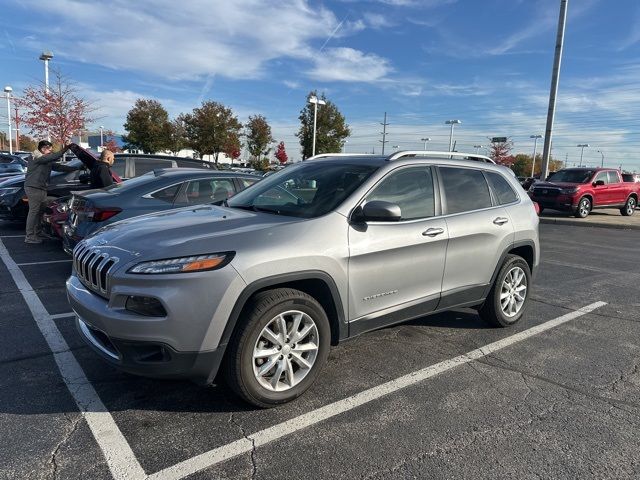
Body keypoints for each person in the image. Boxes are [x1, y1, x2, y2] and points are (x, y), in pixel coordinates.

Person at [24, 141, 80, 244]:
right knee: (34, 212)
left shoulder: (45, 160)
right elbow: (53, 157)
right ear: (43, 149)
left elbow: (59, 167)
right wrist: (65, 148)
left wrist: (76, 168)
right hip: (33, 187)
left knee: (40, 211)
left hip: (41, 188)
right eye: (50, 149)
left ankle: (38, 232)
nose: (51, 152)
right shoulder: (36, 157)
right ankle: (30, 236)